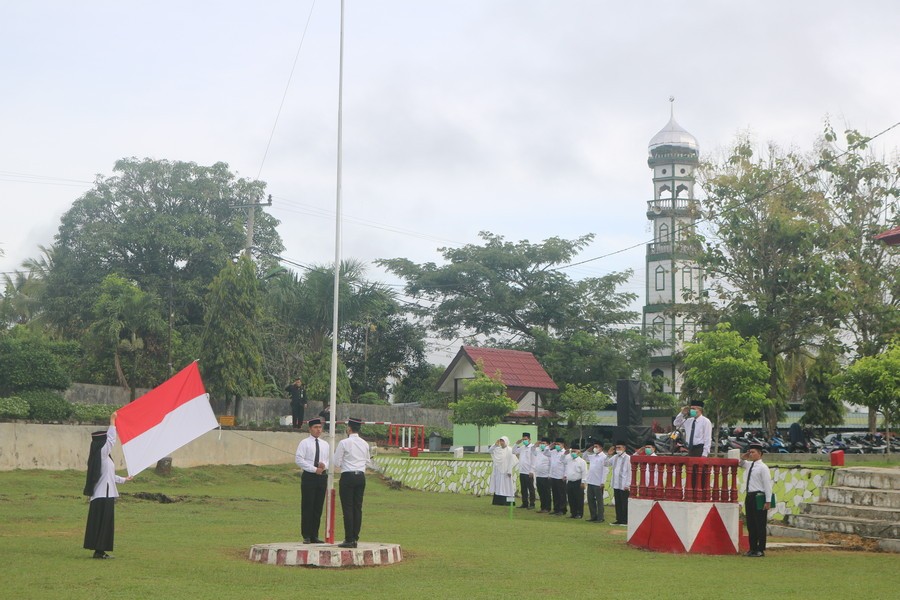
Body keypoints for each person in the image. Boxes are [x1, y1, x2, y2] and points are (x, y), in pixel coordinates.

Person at [83, 411, 132, 559]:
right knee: (103, 525)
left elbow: (109, 476)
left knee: (103, 525)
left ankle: (100, 551)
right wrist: (112, 421)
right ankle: (99, 552)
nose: (107, 445)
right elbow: (111, 440)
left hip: (105, 494)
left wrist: (124, 479)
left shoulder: (103, 458)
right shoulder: (101, 454)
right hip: (102, 496)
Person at [334, 417, 373, 548]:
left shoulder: (344, 443)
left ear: (349, 429)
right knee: (358, 508)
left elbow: (336, 462)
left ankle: (349, 538)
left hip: (348, 476)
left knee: (348, 509)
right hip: (361, 476)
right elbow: (368, 461)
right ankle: (355, 537)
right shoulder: (365, 443)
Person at [294, 417, 329, 544]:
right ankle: (306, 535)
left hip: (322, 477)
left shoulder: (325, 444)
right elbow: (299, 459)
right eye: (315, 427)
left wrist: (324, 466)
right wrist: (314, 469)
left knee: (318, 507)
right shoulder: (305, 443)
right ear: (310, 429)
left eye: (320, 427)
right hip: (309, 476)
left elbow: (329, 459)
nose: (318, 430)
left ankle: (315, 534)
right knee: (308, 505)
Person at [740, 442, 773, 557]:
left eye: (753, 452)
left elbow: (767, 485)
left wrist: (768, 501)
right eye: (750, 452)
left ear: (760, 454)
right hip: (749, 496)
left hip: (759, 496)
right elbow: (741, 463)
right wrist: (743, 458)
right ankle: (752, 548)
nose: (751, 454)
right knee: (751, 524)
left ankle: (760, 549)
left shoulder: (763, 468)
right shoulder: (749, 465)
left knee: (760, 524)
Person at [487, 436, 518, 506]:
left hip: (506, 471)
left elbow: (511, 461)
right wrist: (495, 445)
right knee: (498, 485)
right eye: (500, 441)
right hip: (498, 471)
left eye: (503, 441)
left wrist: (509, 471)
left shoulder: (510, 450)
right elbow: (490, 451)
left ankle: (507, 502)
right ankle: (498, 501)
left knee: (507, 486)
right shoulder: (497, 449)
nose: (501, 443)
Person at [584, 441, 609, 523]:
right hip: (591, 481)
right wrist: (590, 449)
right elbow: (584, 456)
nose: (595, 448)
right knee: (590, 500)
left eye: (596, 446)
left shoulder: (604, 457)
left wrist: (602, 482)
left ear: (601, 448)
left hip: (598, 482)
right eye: (594, 446)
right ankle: (593, 516)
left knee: (599, 501)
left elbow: (605, 470)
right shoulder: (593, 456)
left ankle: (600, 517)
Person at [608, 440, 631, 526]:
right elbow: (606, 463)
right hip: (616, 484)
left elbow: (630, 472)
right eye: (616, 448)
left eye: (619, 448)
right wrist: (609, 454)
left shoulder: (628, 458)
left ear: (624, 448)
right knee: (618, 503)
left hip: (624, 485)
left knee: (624, 503)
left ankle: (625, 520)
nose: (618, 449)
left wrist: (628, 484)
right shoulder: (615, 457)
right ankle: (619, 519)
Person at [513, 433, 536, 509]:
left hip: (529, 472)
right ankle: (525, 503)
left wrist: (532, 471)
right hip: (522, 471)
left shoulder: (532, 448)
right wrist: (517, 443)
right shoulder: (522, 447)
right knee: (523, 489)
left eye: (526, 439)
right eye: (523, 439)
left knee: (531, 488)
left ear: (529, 439)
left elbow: (533, 460)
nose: (524, 441)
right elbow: (514, 451)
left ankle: (532, 504)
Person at [564, 443, 587, 519]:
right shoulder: (568, 459)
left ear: (579, 452)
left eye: (575, 451)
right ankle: (573, 513)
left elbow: (584, 472)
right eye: (572, 451)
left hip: (578, 482)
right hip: (570, 481)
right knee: (571, 498)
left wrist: (583, 482)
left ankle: (579, 513)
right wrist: (566, 453)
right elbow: (561, 460)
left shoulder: (582, 461)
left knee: (579, 499)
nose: (573, 453)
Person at [548, 438, 568, 516]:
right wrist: (550, 446)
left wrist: (565, 475)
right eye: (556, 444)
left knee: (561, 494)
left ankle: (562, 509)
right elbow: (545, 453)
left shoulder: (565, 453)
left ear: (563, 445)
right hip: (553, 475)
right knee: (555, 493)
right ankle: (556, 509)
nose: (557, 446)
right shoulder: (553, 452)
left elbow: (566, 465)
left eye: (558, 444)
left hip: (561, 476)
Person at [533, 437, 552, 513]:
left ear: (547, 444)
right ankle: (542, 507)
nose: (542, 445)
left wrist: (549, 475)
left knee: (546, 493)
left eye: (544, 443)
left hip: (546, 475)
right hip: (538, 475)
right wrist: (535, 445)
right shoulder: (538, 450)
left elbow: (551, 464)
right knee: (540, 492)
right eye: (541, 443)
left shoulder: (549, 452)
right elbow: (532, 451)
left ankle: (547, 508)